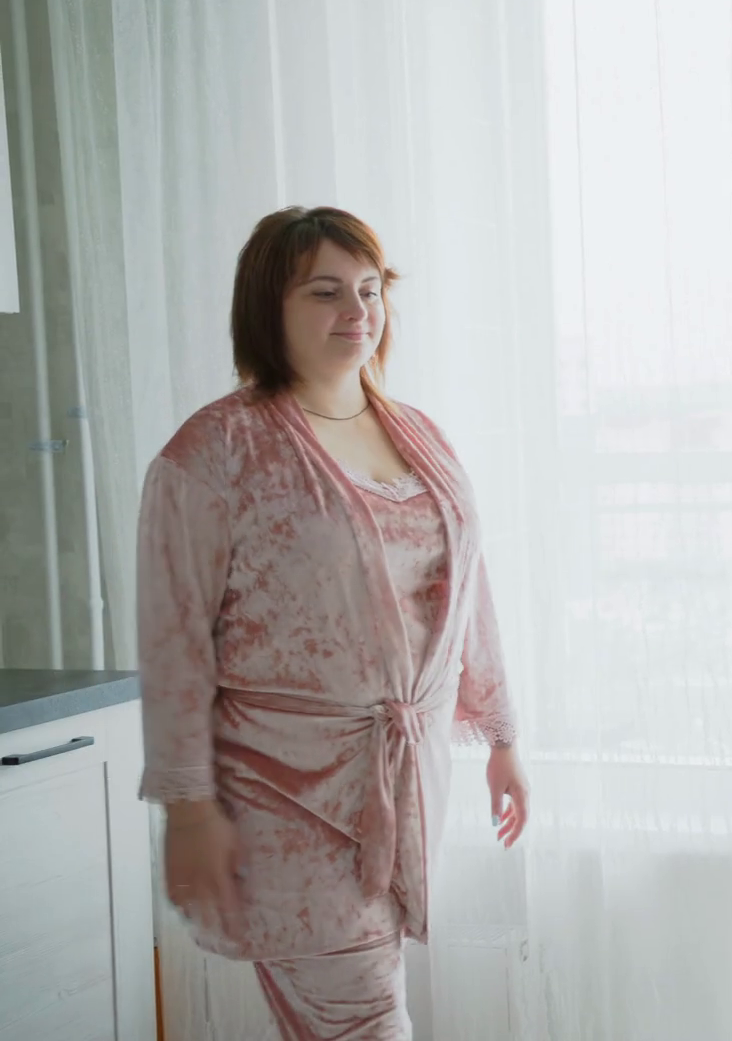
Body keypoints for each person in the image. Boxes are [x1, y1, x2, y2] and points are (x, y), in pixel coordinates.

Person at [139, 206, 532, 1039]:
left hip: (405, 782)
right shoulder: (215, 451)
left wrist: (501, 737)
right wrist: (190, 809)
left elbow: (468, 588)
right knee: (366, 1023)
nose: (357, 311)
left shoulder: (419, 433)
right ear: (268, 307)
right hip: (284, 796)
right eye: (325, 292)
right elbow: (174, 643)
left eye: (370, 288)